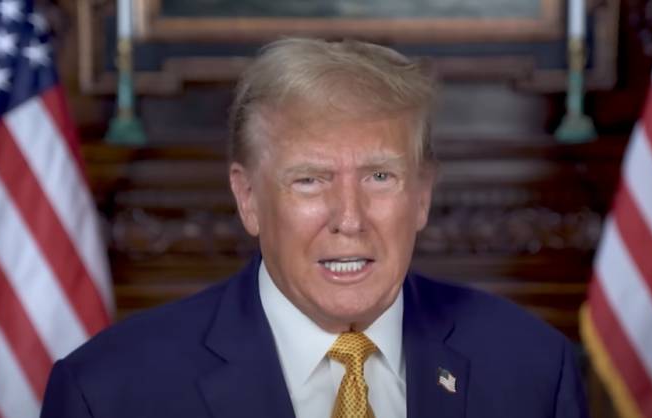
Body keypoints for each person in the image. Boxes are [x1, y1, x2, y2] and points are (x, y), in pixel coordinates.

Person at [40, 38, 588, 418]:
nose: (349, 218)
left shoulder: (535, 369)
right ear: (248, 198)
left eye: (379, 176)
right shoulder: (108, 394)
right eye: (309, 180)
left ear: (421, 194)